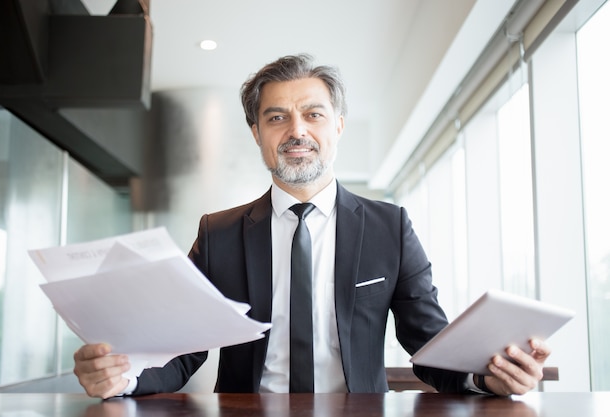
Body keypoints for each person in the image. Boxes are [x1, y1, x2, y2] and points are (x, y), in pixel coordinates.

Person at [73, 54, 551, 399]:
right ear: (257, 133)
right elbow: (180, 350)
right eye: (276, 117)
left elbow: (427, 343)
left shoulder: (391, 227)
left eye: (313, 114)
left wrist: (486, 378)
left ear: (337, 126)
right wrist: (123, 378)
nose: (296, 130)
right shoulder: (218, 234)